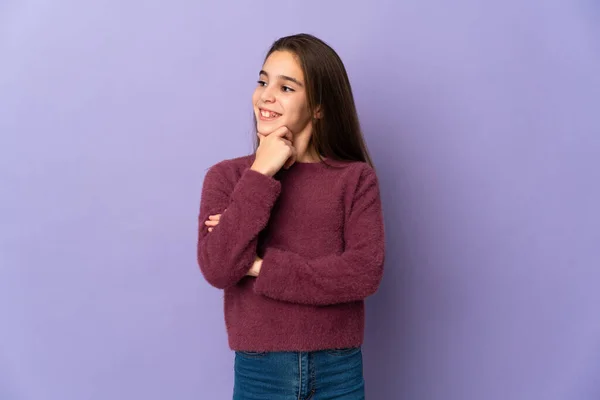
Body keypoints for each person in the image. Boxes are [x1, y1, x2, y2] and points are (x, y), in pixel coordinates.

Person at [197, 33, 385, 400]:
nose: (266, 95)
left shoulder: (355, 179)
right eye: (263, 81)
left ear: (318, 106)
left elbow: (363, 273)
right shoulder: (228, 178)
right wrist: (260, 174)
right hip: (260, 371)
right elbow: (219, 267)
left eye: (286, 87)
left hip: (339, 369)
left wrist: (258, 267)